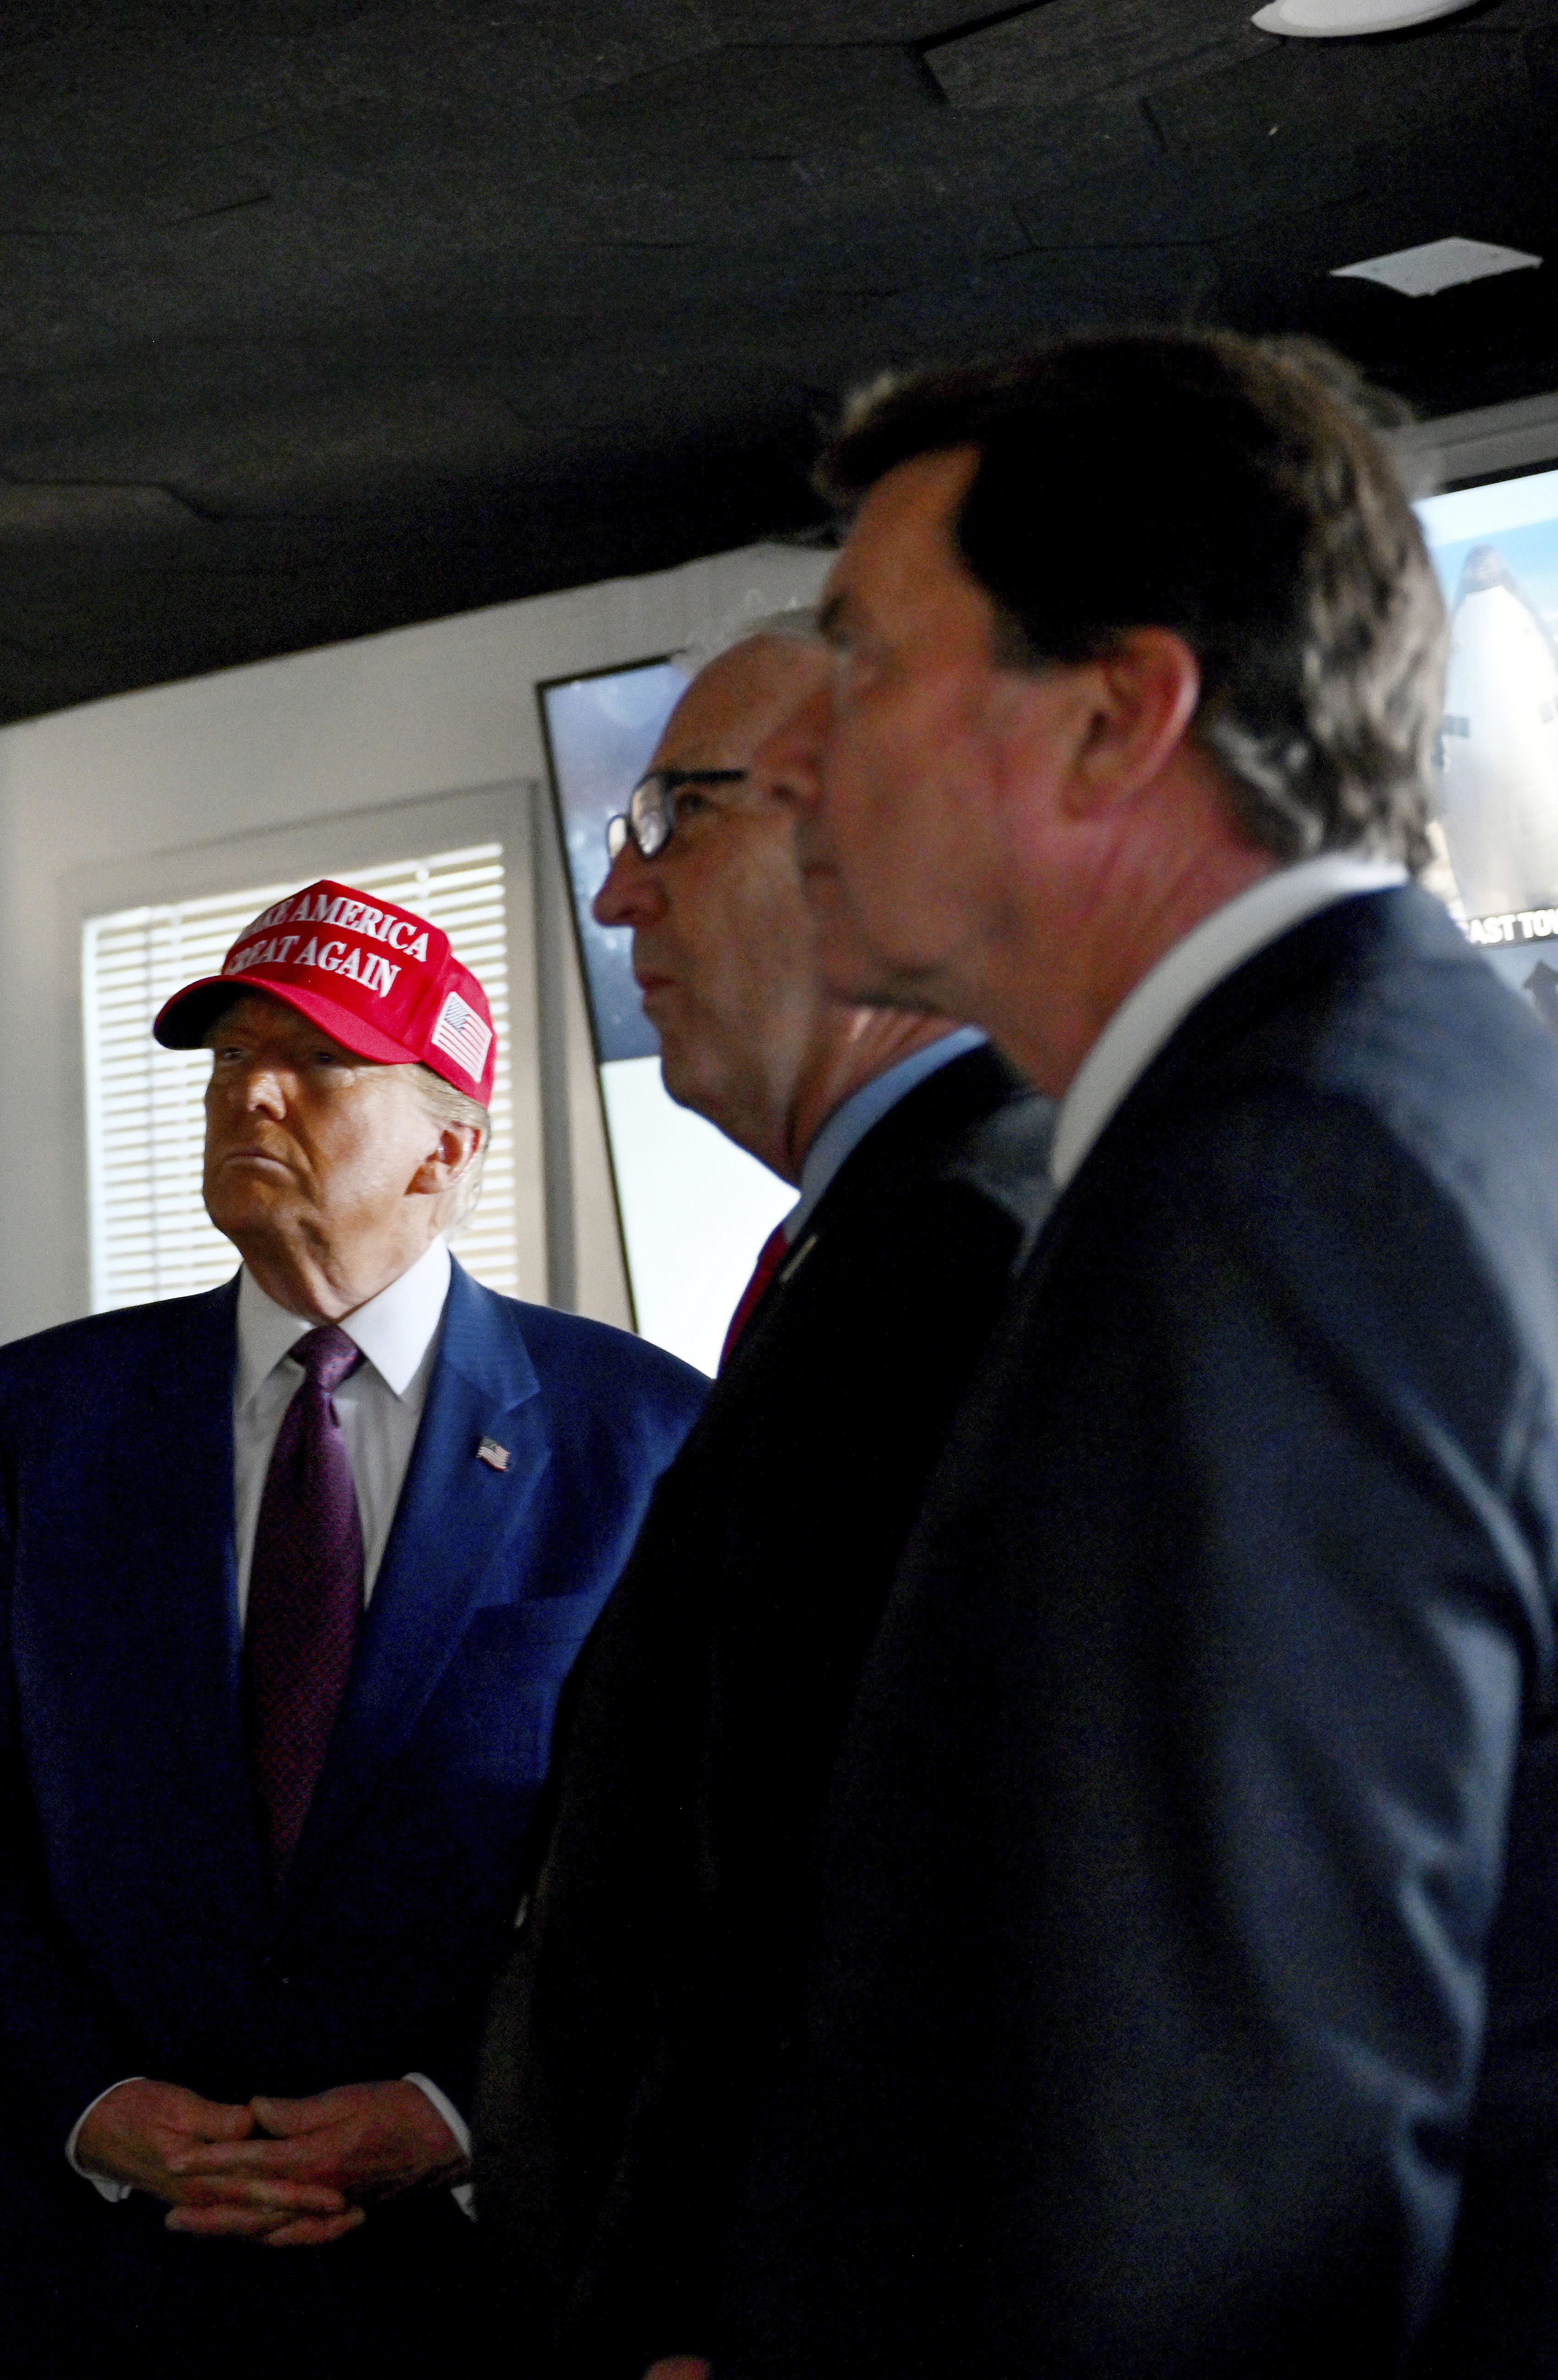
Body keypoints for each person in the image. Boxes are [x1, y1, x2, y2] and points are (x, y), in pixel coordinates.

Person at [720, 331, 1558, 2373]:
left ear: (1114, 717)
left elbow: (1207, 2168)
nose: (797, 760)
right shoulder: (1404, 1096)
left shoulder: (1271, 1196)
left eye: (862, 660)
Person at [0, 881, 707, 2377]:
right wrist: (89, 2098)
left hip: (457, 2274)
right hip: (85, 2262)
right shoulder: (38, 1415)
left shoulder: (640, 1432)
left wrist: (458, 2108)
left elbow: (681, 1852)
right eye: (227, 1058)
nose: (248, 1094)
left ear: (446, 1147)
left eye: (317, 1062)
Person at [465, 619, 1053, 2378]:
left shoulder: (948, 1244)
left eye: (677, 817)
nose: (616, 897)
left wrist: (689, 2306)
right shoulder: (878, 1232)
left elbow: (830, 1870)